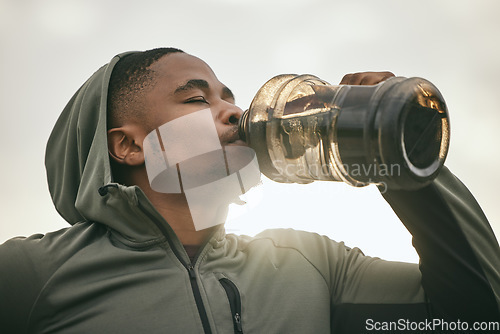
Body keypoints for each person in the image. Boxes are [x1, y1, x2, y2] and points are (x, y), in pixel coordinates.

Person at [0, 47, 499, 333]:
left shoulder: (313, 264)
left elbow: (475, 319)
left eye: (229, 96)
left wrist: (401, 161)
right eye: (197, 98)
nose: (235, 113)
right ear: (129, 146)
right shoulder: (32, 275)